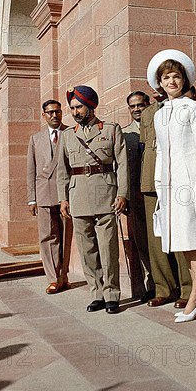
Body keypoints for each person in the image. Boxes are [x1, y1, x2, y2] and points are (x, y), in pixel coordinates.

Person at [148, 49, 196, 323]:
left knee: (193, 239)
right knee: (181, 240)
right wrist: (159, 184)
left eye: (176, 76)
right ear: (159, 83)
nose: (171, 82)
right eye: (166, 77)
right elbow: (161, 151)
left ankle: (195, 295)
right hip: (170, 185)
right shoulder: (160, 115)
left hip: (188, 182)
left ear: (184, 80)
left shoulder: (193, 109)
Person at [56, 86, 128, 314]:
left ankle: (112, 295)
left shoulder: (111, 129)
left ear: (91, 106)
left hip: (105, 193)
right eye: (73, 108)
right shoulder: (67, 135)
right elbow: (62, 171)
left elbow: (123, 164)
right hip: (77, 196)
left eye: (79, 107)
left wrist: (122, 193)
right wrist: (63, 199)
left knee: (108, 248)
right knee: (87, 249)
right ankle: (96, 293)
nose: (75, 112)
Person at [139, 89, 192, 309]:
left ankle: (189, 288)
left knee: (181, 233)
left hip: (178, 177)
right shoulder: (148, 113)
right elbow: (146, 144)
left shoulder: (186, 106)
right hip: (152, 176)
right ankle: (163, 288)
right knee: (156, 238)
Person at [27, 99, 73, 294]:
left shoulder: (71, 133)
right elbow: (31, 169)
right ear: (43, 115)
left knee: (65, 236)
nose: (55, 115)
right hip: (44, 192)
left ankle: (64, 275)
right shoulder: (35, 139)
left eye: (58, 112)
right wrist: (32, 198)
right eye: (51, 112)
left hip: (67, 192)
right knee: (47, 236)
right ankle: (53, 278)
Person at [122, 91, 154, 302]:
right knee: (143, 241)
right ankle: (152, 284)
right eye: (132, 106)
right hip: (136, 196)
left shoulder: (156, 127)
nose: (136, 109)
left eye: (140, 105)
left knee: (162, 240)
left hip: (158, 193)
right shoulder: (124, 135)